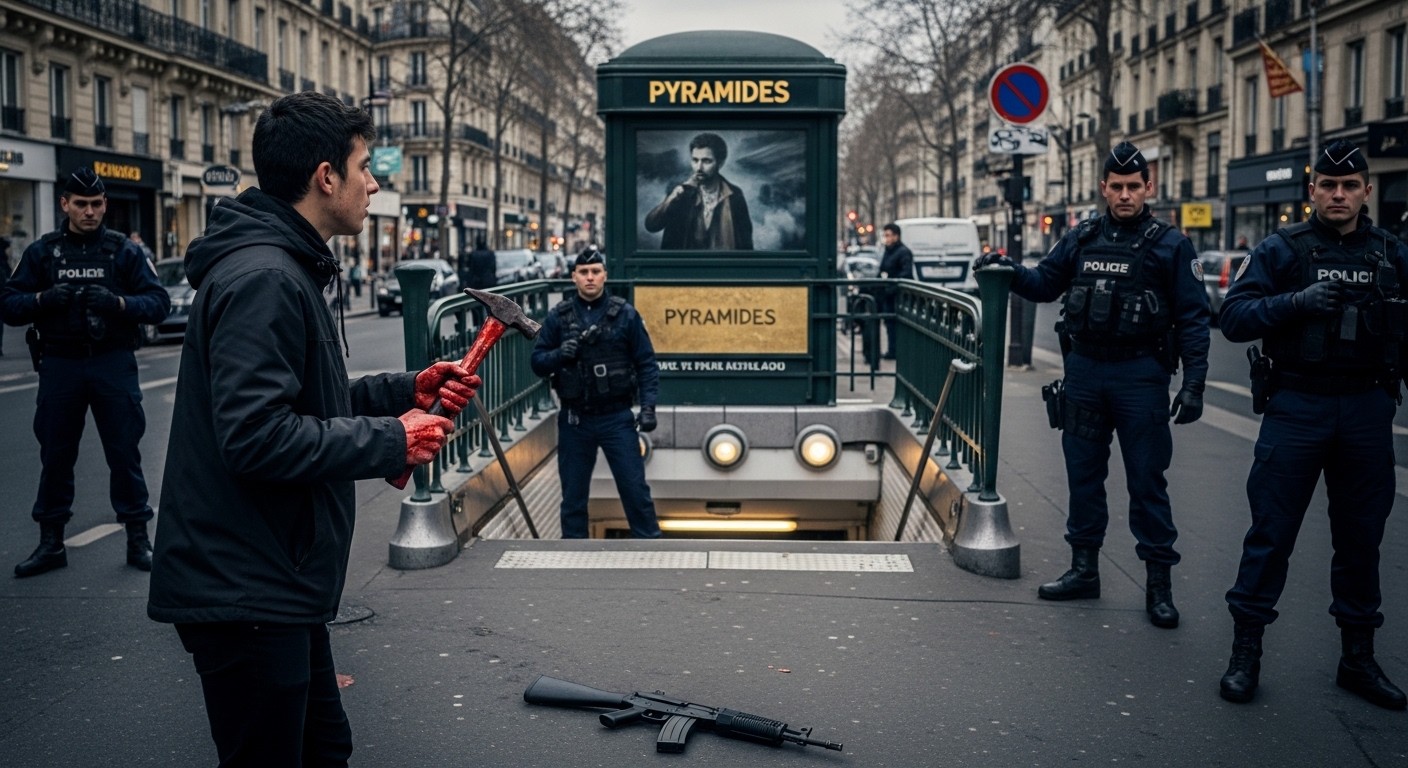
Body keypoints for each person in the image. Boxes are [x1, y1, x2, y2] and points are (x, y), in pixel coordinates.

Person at [145, 91, 481, 766]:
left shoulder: (285, 266)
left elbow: (307, 403)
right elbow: (256, 436)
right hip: (247, 584)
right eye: (364, 166)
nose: (373, 182)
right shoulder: (266, 277)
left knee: (324, 748)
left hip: (274, 576)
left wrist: (402, 392)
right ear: (326, 177)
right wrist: (392, 440)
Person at [973, 141, 1210, 628]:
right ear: (1103, 187)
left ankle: (1159, 586)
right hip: (1084, 374)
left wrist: (1194, 385)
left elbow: (1193, 318)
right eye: (1116, 186)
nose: (1125, 195)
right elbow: (1044, 284)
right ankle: (1084, 570)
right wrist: (1007, 270)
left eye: (1133, 186)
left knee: (1147, 483)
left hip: (1141, 377)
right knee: (1083, 478)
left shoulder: (1171, 245)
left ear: (1148, 187)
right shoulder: (1081, 238)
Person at [1216, 139, 1407, 710]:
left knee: (1361, 540)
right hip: (1297, 407)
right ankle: (1245, 654)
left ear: (1367, 191)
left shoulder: (1391, 253)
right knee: (1271, 534)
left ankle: (1358, 659)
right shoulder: (1282, 249)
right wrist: (1295, 302)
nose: (1339, 194)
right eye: (1329, 185)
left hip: (1367, 409)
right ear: (1312, 191)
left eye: (1349, 186)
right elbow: (1232, 317)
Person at [0, 168, 171, 577]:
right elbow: (8, 304)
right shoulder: (44, 252)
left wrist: (119, 304)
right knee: (56, 456)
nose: (89, 212)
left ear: (105, 205)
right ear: (65, 205)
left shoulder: (123, 251)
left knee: (124, 453)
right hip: (60, 363)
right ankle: (51, 543)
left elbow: (158, 303)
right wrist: (43, 299)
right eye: (81, 204)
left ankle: (138, 540)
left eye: (96, 204)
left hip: (112, 361)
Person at [531, 245, 662, 538]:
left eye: (595, 271)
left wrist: (648, 407)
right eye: (583, 272)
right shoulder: (558, 317)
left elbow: (646, 364)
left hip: (617, 418)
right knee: (573, 498)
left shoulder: (625, 315)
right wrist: (559, 355)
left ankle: (651, 548)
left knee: (635, 492)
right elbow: (537, 363)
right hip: (575, 420)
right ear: (573, 277)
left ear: (605, 275)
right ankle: (574, 553)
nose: (590, 277)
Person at [643, 132, 753, 250]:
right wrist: (671, 198)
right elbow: (651, 226)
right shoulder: (681, 191)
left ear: (720, 163)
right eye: (695, 160)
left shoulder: (734, 195)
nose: (699, 167)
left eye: (706, 161)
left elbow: (745, 244)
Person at [877, 222, 914, 359]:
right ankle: (892, 350)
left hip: (897, 295)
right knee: (890, 323)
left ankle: (896, 351)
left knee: (895, 324)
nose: (886, 238)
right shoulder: (889, 251)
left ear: (896, 236)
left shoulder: (903, 252)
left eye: (888, 235)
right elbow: (882, 269)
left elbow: (906, 273)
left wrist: (890, 282)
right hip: (889, 294)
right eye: (885, 235)